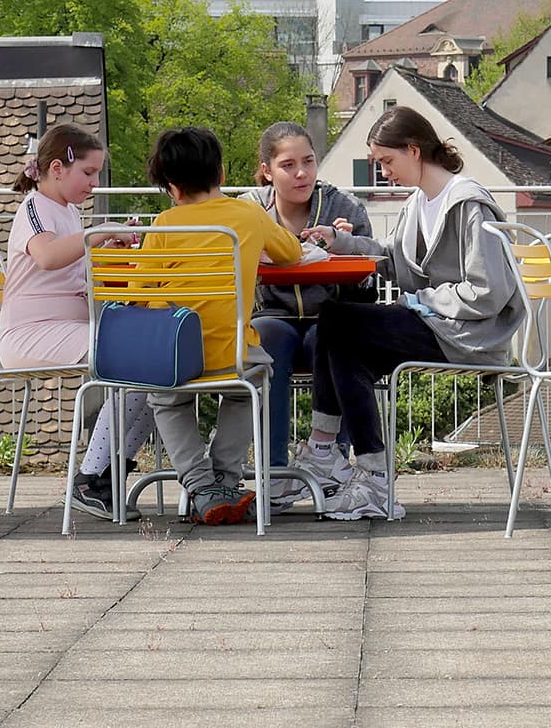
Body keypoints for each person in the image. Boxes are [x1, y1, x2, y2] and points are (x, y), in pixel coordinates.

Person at [286, 106, 525, 522]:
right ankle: (367, 475)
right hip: (438, 326)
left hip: (470, 337)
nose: (383, 173)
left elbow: (489, 293)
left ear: (414, 150)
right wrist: (340, 241)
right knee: (343, 339)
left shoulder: (468, 205)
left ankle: (330, 453)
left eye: (386, 162)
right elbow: (393, 261)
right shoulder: (419, 202)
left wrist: (423, 301)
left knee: (338, 321)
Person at [139, 127, 304, 525]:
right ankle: (226, 481)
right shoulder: (247, 214)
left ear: (172, 186)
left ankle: (200, 486)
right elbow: (291, 253)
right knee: (252, 383)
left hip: (177, 355)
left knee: (166, 398)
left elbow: (144, 293)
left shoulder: (163, 224)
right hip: (233, 355)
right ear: (223, 174)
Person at [0, 123, 155, 522]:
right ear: (56, 169)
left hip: (65, 328)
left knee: (159, 365)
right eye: (88, 173)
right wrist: (98, 233)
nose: (95, 183)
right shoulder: (34, 208)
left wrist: (109, 248)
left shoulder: (67, 212)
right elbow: (48, 256)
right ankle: (89, 478)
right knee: (140, 359)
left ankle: (105, 472)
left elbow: (76, 269)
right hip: (31, 335)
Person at [244, 121, 374, 508]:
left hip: (328, 316)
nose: (301, 173)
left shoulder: (344, 206)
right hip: (273, 315)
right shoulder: (251, 209)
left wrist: (347, 244)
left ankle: (331, 463)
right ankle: (275, 474)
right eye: (288, 165)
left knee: (334, 337)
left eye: (309, 162)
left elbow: (370, 277)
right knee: (267, 339)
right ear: (267, 170)